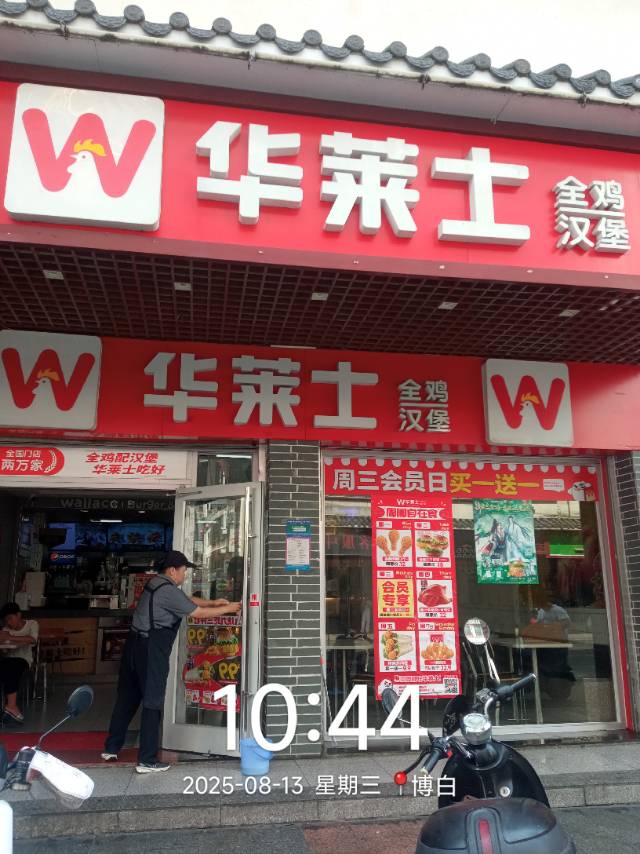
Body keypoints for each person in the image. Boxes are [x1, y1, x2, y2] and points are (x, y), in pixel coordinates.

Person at [102, 550, 241, 773]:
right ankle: (147, 760)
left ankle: (111, 748)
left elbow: (188, 600)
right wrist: (228, 608)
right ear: (172, 570)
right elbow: (196, 613)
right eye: (184, 571)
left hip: (134, 646)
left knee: (127, 697)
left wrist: (214, 602)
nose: (185, 575)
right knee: (153, 700)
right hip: (150, 649)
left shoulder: (158, 584)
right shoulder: (167, 590)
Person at [0, 602, 39, 723]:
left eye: (10, 618)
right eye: (6, 620)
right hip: (8, 660)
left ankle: (11, 706)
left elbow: (32, 639)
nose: (8, 623)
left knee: (11, 667)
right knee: (7, 666)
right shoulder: (6, 630)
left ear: (18, 615)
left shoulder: (32, 624)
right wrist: (4, 645)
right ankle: (10, 707)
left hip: (23, 660)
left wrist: (9, 638)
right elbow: (5, 650)